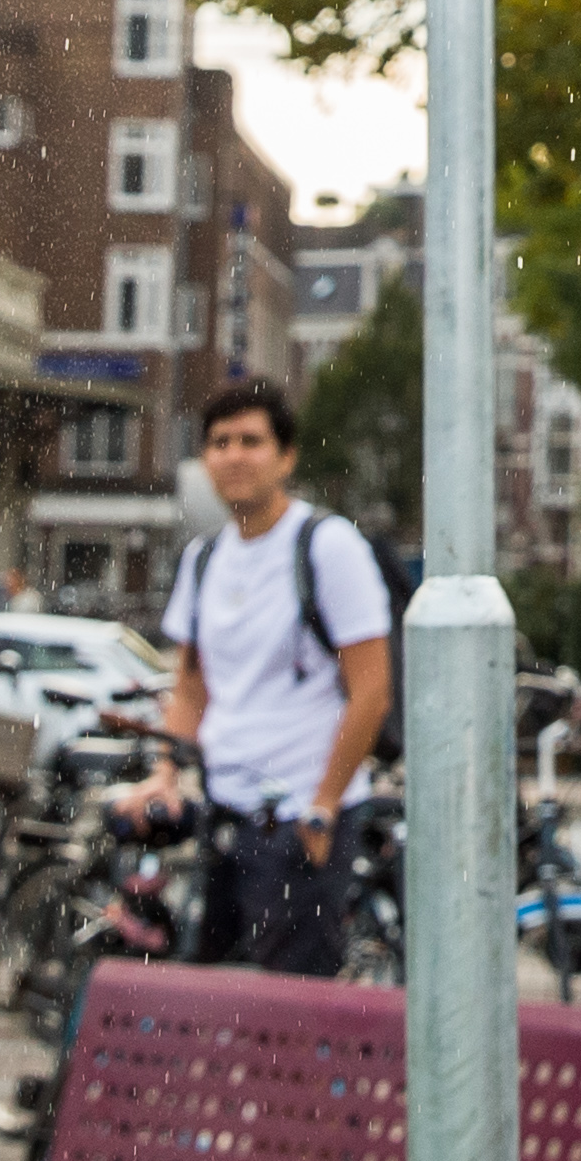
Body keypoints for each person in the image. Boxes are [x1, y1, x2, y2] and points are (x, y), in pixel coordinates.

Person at [124, 377, 391, 976]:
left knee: (292, 1008)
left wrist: (323, 805)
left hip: (300, 813)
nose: (234, 456)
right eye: (219, 442)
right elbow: (192, 684)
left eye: (252, 440)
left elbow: (371, 690)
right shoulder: (206, 557)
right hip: (226, 806)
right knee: (207, 993)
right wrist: (165, 775)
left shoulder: (326, 546)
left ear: (286, 456)